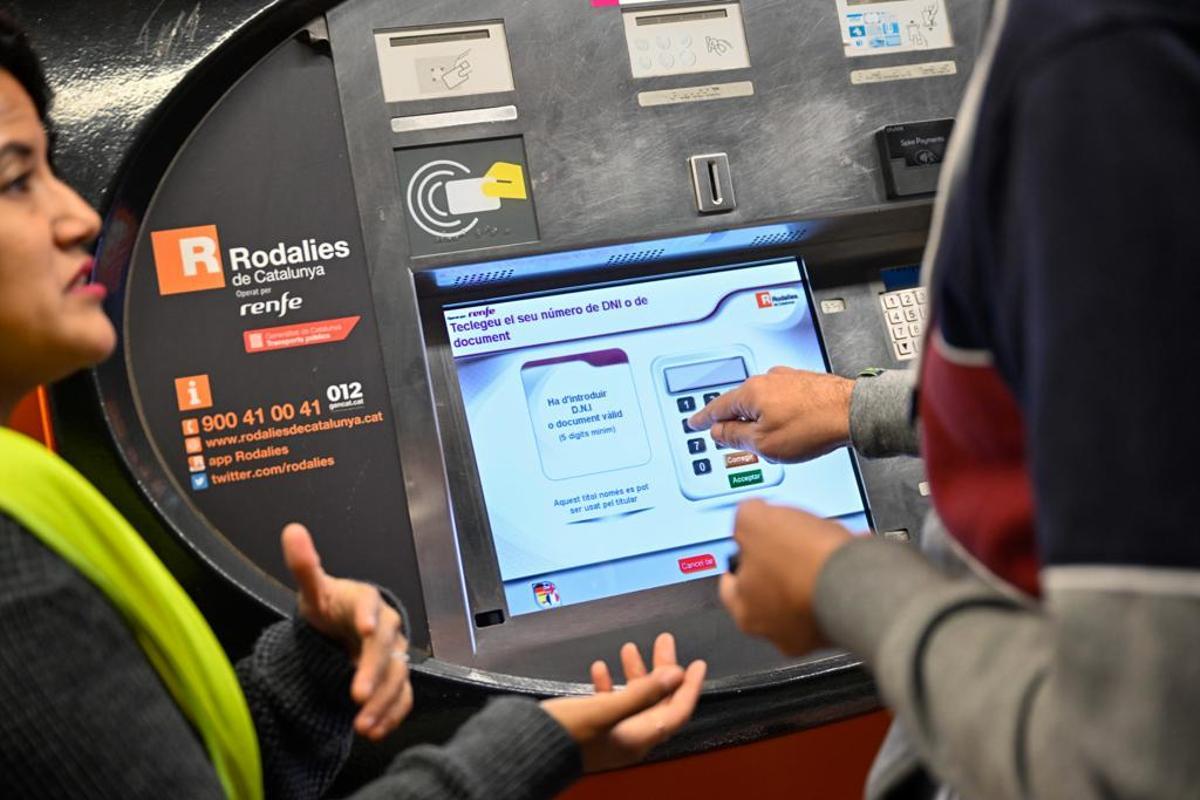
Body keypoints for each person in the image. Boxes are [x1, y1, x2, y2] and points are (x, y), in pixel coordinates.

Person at [0, 12, 705, 799]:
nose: (80, 219)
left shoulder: (23, 495)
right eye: (15, 180)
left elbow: (184, 766)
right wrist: (531, 743)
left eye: (51, 170)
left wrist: (313, 671)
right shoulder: (17, 582)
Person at [689, 0, 1200, 797]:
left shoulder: (1100, 55)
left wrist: (841, 581)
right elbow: (1144, 402)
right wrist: (866, 407)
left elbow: (1126, 767)